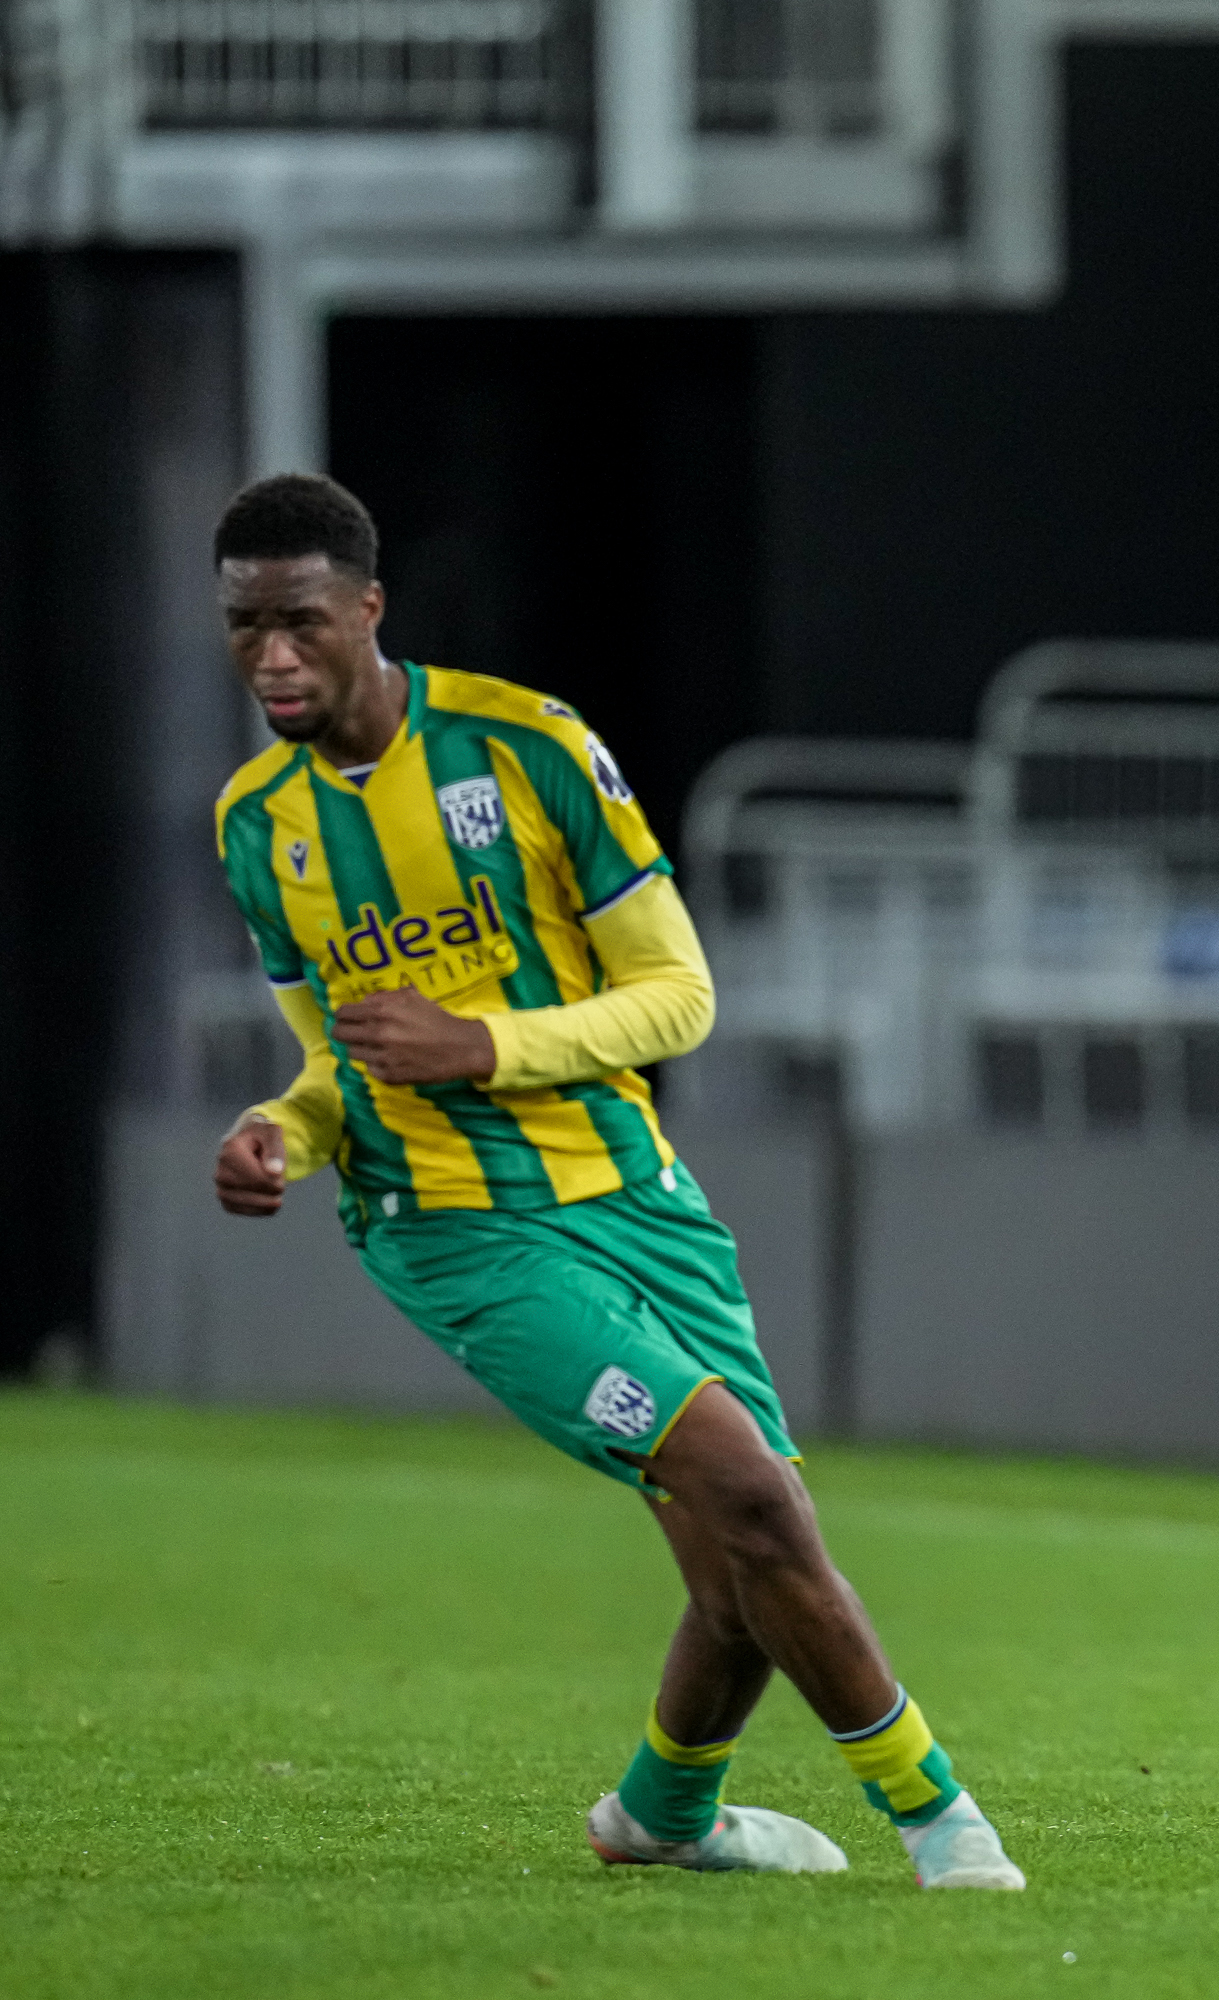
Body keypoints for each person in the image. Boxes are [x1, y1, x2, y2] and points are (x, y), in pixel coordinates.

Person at [206, 473, 1024, 1890]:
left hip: (638, 1201)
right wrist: (282, 1125)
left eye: (301, 623)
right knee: (754, 1505)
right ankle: (946, 1831)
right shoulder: (256, 825)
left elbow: (682, 994)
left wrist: (489, 1041)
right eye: (243, 629)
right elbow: (343, 1067)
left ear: (370, 611)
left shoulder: (527, 751)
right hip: (458, 1231)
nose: (272, 658)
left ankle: (663, 1815)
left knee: (740, 1554)